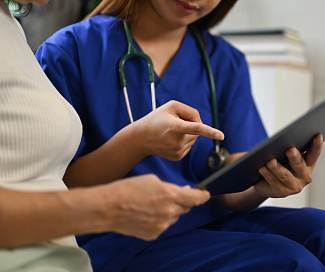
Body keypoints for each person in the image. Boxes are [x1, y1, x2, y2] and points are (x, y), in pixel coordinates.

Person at [35, 0, 325, 271]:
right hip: (121, 236)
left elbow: (228, 191)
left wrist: (263, 185)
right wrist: (137, 142)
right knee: (292, 263)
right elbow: (54, 187)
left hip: (203, 220)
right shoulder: (70, 51)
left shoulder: (223, 61)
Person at [0, 0, 219, 271]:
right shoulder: (69, 48)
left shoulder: (10, 29)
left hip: (63, 254)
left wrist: (260, 183)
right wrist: (107, 206)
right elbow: (65, 179)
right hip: (95, 244)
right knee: (281, 254)